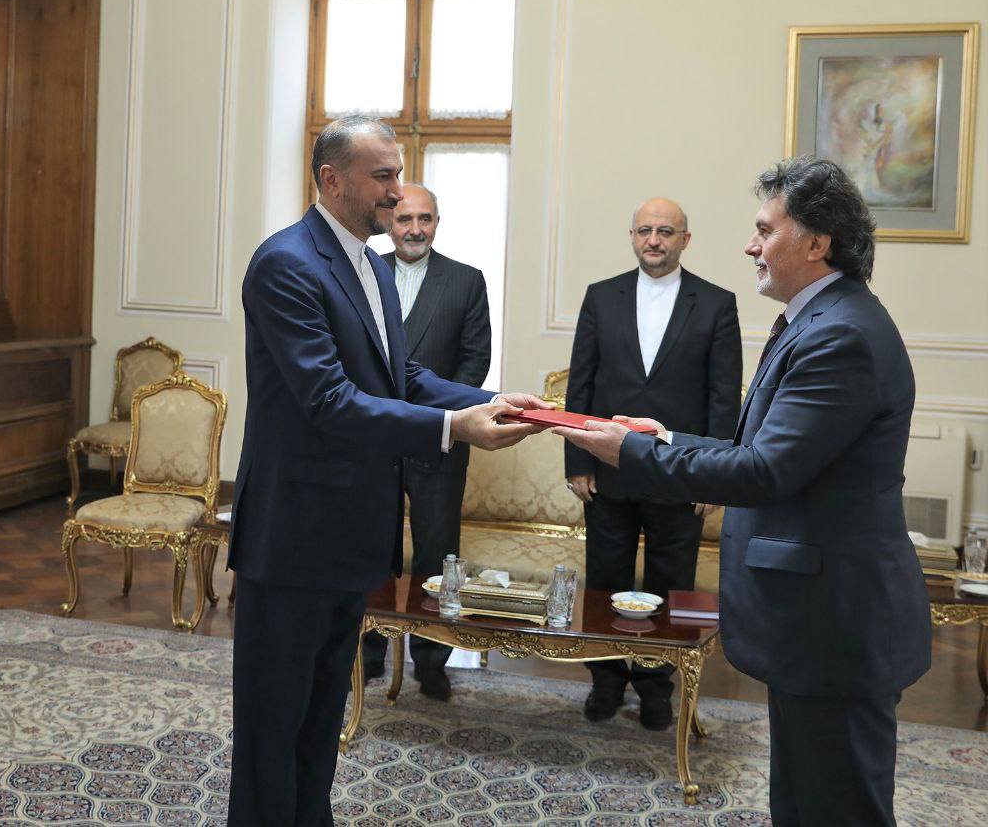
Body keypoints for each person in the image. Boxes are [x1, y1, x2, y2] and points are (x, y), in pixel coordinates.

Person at [557, 156, 930, 825]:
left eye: (764, 230)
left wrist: (634, 453)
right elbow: (757, 449)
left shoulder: (840, 334)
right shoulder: (820, 319)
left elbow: (764, 471)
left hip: (833, 622)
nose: (751, 246)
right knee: (804, 802)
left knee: (837, 808)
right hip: (816, 620)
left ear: (816, 244)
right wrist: (664, 437)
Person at [226, 115, 548, 826]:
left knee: (321, 717)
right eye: (382, 176)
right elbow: (329, 400)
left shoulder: (371, 266)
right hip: (293, 535)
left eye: (397, 174)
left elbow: (400, 375)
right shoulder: (286, 264)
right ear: (331, 179)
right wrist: (452, 428)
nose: (397, 191)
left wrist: (488, 401)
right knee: (273, 726)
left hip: (351, 533)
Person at [564, 197, 741, 729]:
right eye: (645, 230)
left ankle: (657, 687)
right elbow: (581, 384)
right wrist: (577, 460)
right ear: (632, 236)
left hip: (681, 472)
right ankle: (605, 680)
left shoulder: (716, 303)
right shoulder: (601, 296)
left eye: (666, 231)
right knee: (606, 580)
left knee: (672, 584)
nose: (654, 240)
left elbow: (723, 399)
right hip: (607, 470)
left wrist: (714, 474)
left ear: (685, 240)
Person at [358, 183, 492, 700]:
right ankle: (370, 651)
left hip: (441, 439)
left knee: (437, 552)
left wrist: (441, 420)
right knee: (374, 547)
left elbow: (474, 361)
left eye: (425, 219)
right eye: (405, 219)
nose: (415, 229)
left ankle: (432, 660)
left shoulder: (466, 281)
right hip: (375, 439)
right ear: (389, 222)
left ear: (437, 222)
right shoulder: (362, 272)